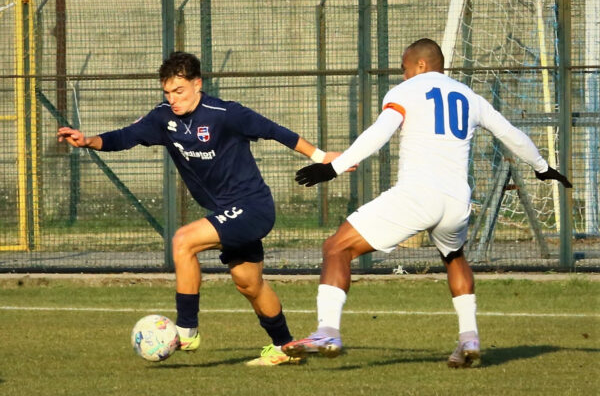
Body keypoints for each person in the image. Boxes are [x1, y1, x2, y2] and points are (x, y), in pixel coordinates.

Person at [282, 38, 572, 368]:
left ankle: (327, 331)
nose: (403, 75)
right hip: (457, 201)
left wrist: (333, 167)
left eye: (405, 68)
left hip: (418, 194)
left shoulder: (406, 92)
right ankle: (469, 338)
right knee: (454, 255)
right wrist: (542, 167)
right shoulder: (470, 97)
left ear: (420, 65)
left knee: (336, 248)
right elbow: (511, 135)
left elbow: (379, 133)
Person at [57, 51, 341, 366]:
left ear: (197, 84)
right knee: (249, 283)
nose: (173, 99)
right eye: (167, 92)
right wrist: (87, 141)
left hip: (252, 206)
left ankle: (188, 330)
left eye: (179, 91)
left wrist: (320, 156)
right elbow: (125, 137)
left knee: (183, 240)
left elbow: (275, 130)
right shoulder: (163, 118)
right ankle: (285, 347)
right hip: (227, 212)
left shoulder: (224, 113)